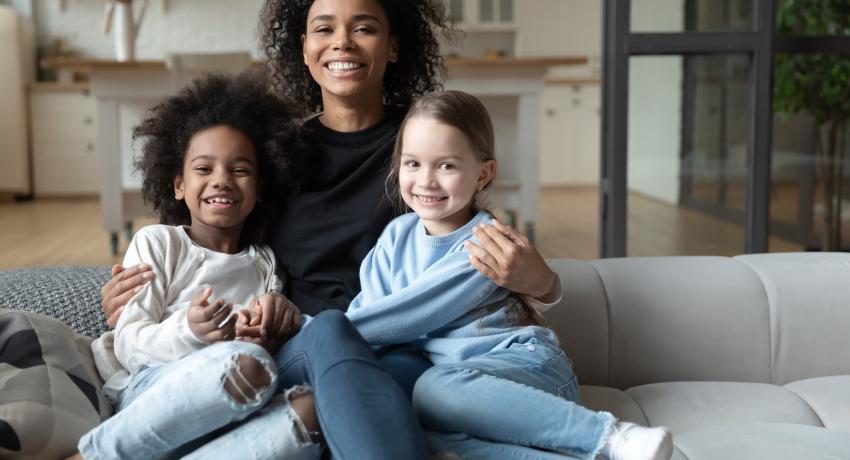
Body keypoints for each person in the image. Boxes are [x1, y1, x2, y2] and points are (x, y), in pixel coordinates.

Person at [99, 0, 561, 456]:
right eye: (324, 29)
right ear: (303, 48)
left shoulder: (423, 144)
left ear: (394, 45)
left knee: (347, 379)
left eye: (364, 28)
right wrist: (133, 294)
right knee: (328, 339)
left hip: (403, 350)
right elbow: (212, 243)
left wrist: (544, 283)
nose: (342, 41)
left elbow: (477, 247)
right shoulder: (277, 154)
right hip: (298, 346)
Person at [72, 73, 422, 460]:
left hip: (242, 397)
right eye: (204, 169)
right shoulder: (159, 243)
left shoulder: (265, 262)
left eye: (239, 171)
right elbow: (129, 343)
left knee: (309, 407)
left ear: (258, 190)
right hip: (160, 388)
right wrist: (191, 331)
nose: (221, 181)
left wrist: (278, 321)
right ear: (178, 185)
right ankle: (96, 454)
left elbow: (270, 340)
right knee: (247, 364)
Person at [345, 90, 674, 460]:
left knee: (433, 388)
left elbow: (399, 317)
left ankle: (613, 436)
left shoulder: (489, 242)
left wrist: (311, 337)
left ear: (483, 174)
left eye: (447, 166)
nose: (427, 181)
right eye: (412, 163)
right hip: (470, 396)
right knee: (420, 435)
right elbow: (369, 310)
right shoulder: (394, 237)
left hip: (527, 370)